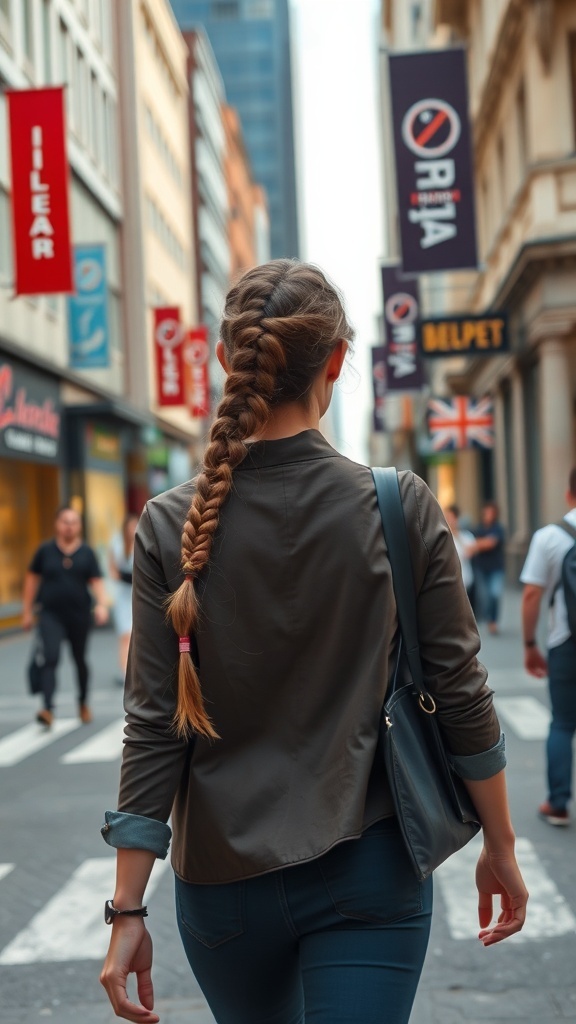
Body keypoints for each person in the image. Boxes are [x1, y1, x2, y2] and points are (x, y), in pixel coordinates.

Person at [99, 260, 527, 1024]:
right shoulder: (398, 506)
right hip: (369, 866)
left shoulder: (168, 523)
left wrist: (127, 908)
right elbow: (462, 691)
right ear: (335, 361)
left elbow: (154, 725)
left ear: (227, 362)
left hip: (222, 887)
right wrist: (500, 842)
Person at [520, 467, 576, 827]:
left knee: (562, 723)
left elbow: (531, 594)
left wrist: (529, 645)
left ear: (569, 492)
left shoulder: (550, 537)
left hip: (566, 643)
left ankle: (557, 804)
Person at [22, 506, 110, 727]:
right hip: (50, 615)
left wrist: (101, 604)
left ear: (79, 526)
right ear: (57, 524)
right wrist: (26, 611)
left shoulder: (86, 553)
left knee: (79, 660)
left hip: (79, 616)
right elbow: (31, 581)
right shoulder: (45, 551)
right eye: (65, 521)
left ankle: (82, 703)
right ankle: (47, 708)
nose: (69, 526)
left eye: (73, 522)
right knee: (50, 658)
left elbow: (97, 582)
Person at [109, 514, 139, 686]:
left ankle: (137, 671)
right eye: (130, 526)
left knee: (138, 634)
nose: (132, 529)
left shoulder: (144, 540)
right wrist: (126, 577)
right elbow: (112, 570)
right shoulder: (117, 544)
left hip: (138, 594)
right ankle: (125, 672)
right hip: (122, 595)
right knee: (125, 635)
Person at [474, 501, 506, 634]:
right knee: (485, 596)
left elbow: (490, 544)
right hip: (482, 568)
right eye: (486, 512)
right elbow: (472, 543)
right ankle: (489, 619)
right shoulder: (479, 528)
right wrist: (481, 543)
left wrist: (480, 544)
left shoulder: (498, 528)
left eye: (490, 513)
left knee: (495, 594)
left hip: (496, 568)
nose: (488, 515)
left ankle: (493, 620)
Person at [444, 504, 477, 609]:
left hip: (464, 578)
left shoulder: (466, 536)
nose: (448, 520)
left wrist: (456, 535)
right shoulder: (443, 537)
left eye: (450, 517)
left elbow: (470, 552)